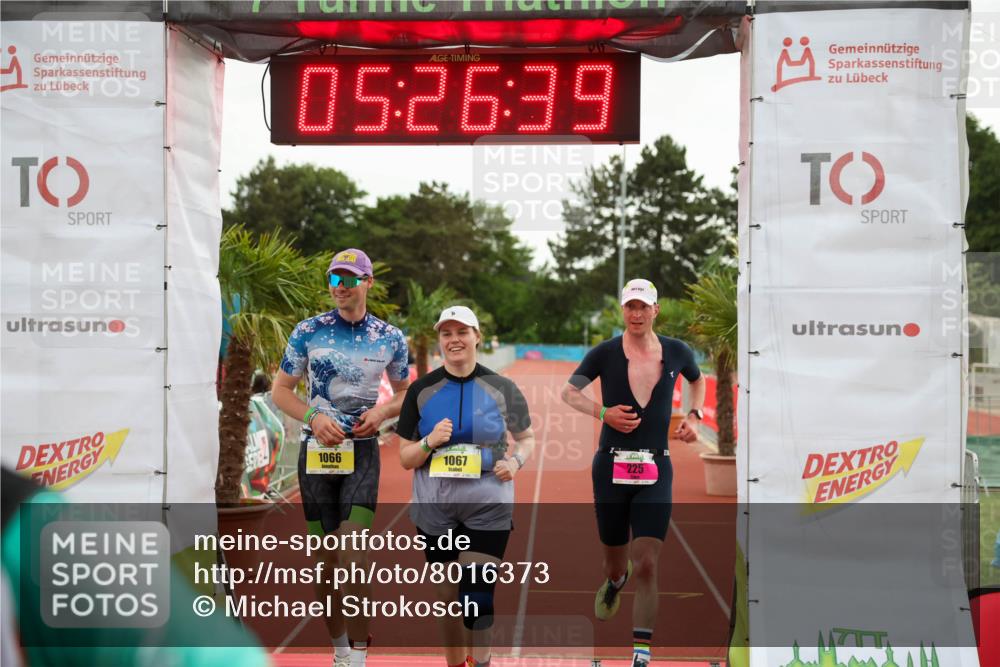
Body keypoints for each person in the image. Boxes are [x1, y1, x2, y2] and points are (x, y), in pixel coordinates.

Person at [272, 248, 410, 667]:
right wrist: (313, 414)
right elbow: (281, 392)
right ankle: (340, 651)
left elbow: (406, 393)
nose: (340, 288)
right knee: (326, 564)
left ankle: (360, 656)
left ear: (367, 283)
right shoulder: (308, 331)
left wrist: (383, 412)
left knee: (354, 553)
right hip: (316, 453)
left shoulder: (390, 337)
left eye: (349, 280)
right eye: (335, 279)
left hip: (362, 454)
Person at [560, 278, 706, 667]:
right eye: (630, 307)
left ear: (656, 310)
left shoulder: (677, 352)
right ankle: (614, 580)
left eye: (644, 306)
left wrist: (695, 414)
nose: (637, 313)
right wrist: (603, 412)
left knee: (647, 562)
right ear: (623, 310)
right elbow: (569, 392)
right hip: (610, 466)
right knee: (616, 562)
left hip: (656, 466)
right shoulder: (604, 353)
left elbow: (698, 379)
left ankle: (640, 652)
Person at [396, 306, 535, 667]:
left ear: (477, 337)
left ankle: (483, 663)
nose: (454, 339)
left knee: (476, 597)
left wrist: (515, 462)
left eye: (462, 332)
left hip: (488, 504)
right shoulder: (421, 390)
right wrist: (428, 442)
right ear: (439, 340)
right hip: (435, 509)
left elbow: (527, 438)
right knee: (446, 599)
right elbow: (405, 457)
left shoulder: (503, 387)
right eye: (446, 333)